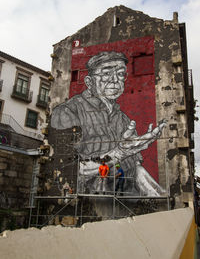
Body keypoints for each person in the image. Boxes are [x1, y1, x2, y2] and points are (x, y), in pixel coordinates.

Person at [51, 51, 166, 196]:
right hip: (87, 202)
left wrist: (158, 195)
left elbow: (137, 171)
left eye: (120, 74)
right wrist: (120, 152)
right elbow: (70, 167)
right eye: (106, 74)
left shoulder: (124, 120)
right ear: (89, 82)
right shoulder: (67, 112)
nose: (114, 80)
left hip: (125, 201)